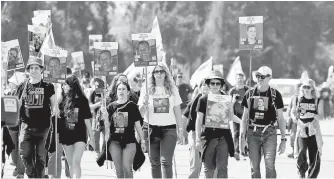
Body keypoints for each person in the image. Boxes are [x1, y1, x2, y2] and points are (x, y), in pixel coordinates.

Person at [240, 66, 286, 178]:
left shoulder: (276, 95)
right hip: (252, 133)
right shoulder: (249, 94)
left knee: (270, 165)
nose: (259, 79)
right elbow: (244, 117)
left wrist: (283, 139)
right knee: (254, 167)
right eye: (257, 76)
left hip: (269, 132)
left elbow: (280, 118)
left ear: (270, 77)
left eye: (262, 76)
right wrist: (242, 139)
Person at [15, 57, 58, 178]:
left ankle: (38, 176)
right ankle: (30, 174)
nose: (33, 70)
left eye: (36, 68)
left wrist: (55, 109)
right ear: (28, 70)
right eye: (31, 68)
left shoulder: (48, 86)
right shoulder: (22, 86)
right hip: (26, 126)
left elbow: (54, 103)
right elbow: (16, 105)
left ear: (41, 70)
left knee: (40, 155)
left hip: (43, 127)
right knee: (24, 153)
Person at [138, 64, 183, 178]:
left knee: (166, 162)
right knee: (155, 163)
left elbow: (177, 110)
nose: (158, 74)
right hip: (150, 128)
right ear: (152, 74)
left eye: (161, 71)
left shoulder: (173, 89)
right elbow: (140, 113)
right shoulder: (146, 88)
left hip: (169, 129)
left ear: (166, 73)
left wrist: (181, 129)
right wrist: (144, 103)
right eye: (156, 71)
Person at [195, 70, 241, 178]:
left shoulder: (226, 99)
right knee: (208, 168)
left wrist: (242, 122)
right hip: (208, 136)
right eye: (212, 83)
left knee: (222, 167)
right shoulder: (202, 99)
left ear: (221, 85)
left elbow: (230, 116)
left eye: (217, 83)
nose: (215, 86)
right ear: (208, 84)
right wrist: (197, 139)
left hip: (223, 136)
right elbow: (198, 119)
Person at [100, 81, 146, 178]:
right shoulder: (111, 106)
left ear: (128, 92)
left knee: (127, 167)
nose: (121, 91)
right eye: (119, 89)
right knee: (119, 170)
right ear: (116, 92)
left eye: (124, 89)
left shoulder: (132, 106)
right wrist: (105, 116)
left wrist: (142, 141)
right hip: (114, 141)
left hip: (129, 141)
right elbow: (107, 126)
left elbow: (138, 125)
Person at [58, 75, 95, 178]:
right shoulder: (61, 100)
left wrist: (92, 138)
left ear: (72, 85)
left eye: (65, 84)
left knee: (76, 161)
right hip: (66, 134)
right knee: (70, 163)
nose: (63, 87)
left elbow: (87, 120)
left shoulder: (83, 100)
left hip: (80, 135)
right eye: (63, 85)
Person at [291, 78, 323, 178]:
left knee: (314, 154)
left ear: (312, 88)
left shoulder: (317, 100)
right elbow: (293, 112)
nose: (306, 89)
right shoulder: (297, 98)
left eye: (308, 87)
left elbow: (321, 116)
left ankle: (312, 176)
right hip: (301, 129)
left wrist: (312, 115)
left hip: (314, 129)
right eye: (304, 87)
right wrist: (294, 118)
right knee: (301, 151)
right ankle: (301, 173)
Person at [184, 79, 209, 178]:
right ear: (199, 88)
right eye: (203, 85)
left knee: (210, 167)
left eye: (208, 85)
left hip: (210, 134)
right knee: (195, 166)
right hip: (195, 134)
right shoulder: (195, 101)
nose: (206, 87)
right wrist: (181, 132)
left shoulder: (216, 100)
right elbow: (184, 117)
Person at [6, 73, 26, 179]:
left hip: (23, 123)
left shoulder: (25, 92)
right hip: (12, 125)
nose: (10, 84)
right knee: (14, 147)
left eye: (12, 82)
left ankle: (20, 170)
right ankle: (17, 166)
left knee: (21, 147)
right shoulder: (9, 93)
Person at [228, 73, 249, 160]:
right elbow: (228, 103)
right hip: (236, 114)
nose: (239, 80)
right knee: (236, 133)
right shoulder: (232, 91)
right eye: (238, 78)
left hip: (245, 114)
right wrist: (233, 100)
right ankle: (236, 151)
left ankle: (245, 150)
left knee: (245, 133)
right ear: (235, 79)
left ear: (243, 79)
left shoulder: (247, 89)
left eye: (241, 78)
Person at [176, 72, 192, 145]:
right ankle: (180, 139)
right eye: (178, 77)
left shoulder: (186, 86)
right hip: (176, 108)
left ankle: (185, 140)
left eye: (180, 77)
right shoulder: (175, 87)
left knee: (183, 124)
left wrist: (189, 102)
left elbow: (190, 95)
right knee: (177, 125)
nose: (179, 79)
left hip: (184, 108)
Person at [286, 83, 302, 158]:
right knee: (292, 136)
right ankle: (293, 151)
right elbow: (290, 109)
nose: (297, 90)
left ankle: (301, 153)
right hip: (294, 121)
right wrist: (291, 117)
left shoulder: (305, 98)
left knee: (301, 137)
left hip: (302, 121)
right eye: (297, 89)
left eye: (299, 89)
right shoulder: (293, 98)